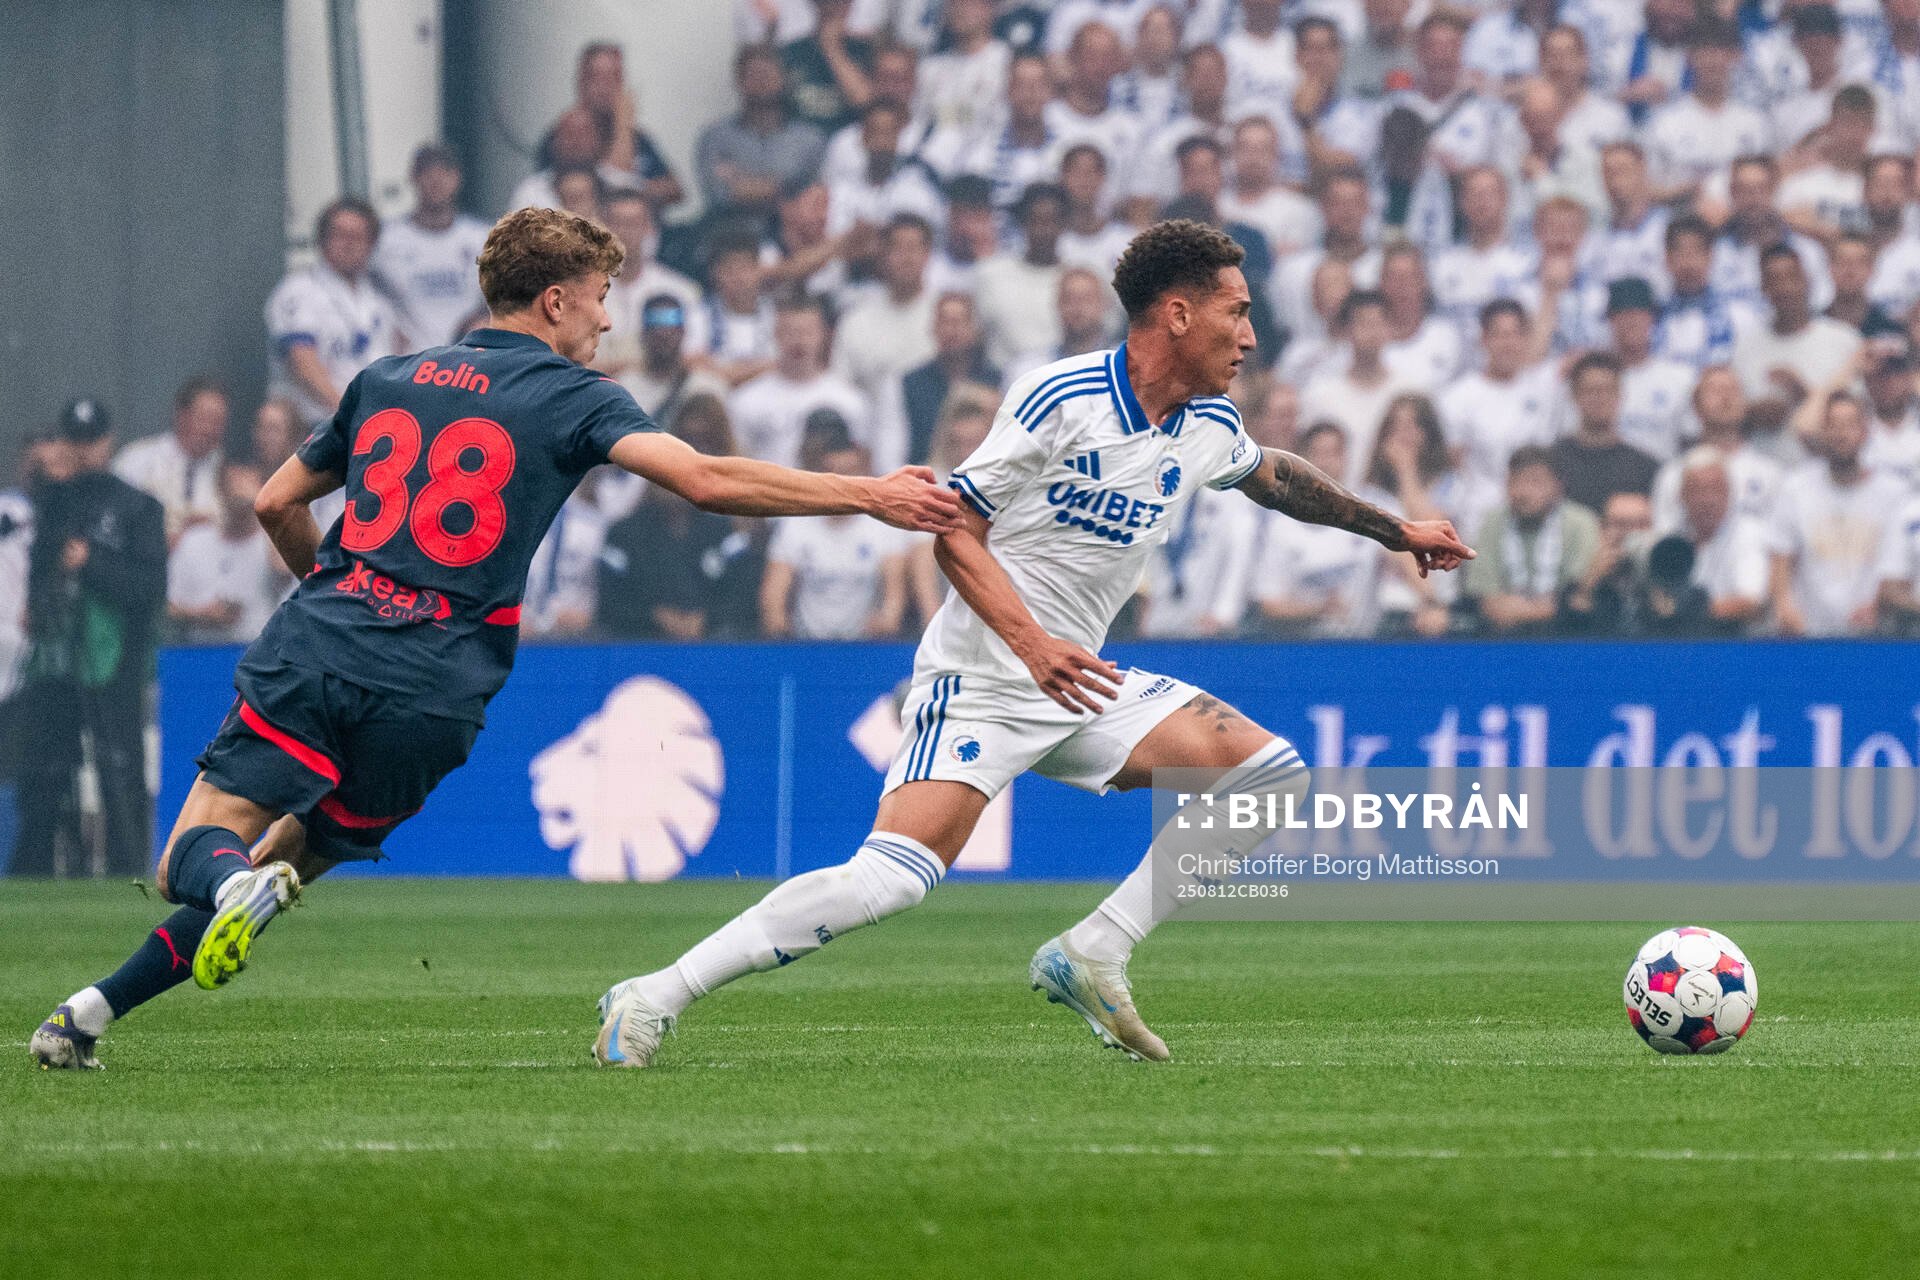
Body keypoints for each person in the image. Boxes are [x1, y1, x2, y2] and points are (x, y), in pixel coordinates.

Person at [27, 206, 961, 1070]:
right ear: (555, 300)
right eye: (600, 302)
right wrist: (869, 493)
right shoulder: (572, 396)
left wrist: (330, 590)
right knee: (286, 863)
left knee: (193, 858)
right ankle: (87, 1018)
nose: (605, 324)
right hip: (440, 687)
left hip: (329, 640)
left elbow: (274, 502)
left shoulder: (386, 378)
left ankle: (225, 890)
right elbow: (705, 480)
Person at [593, 219, 1470, 1068]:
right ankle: (652, 995)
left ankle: (1094, 951)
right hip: (984, 675)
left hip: (1080, 680)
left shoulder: (1207, 425)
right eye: (1235, 313)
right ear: (1176, 314)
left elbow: (1279, 478)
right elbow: (954, 533)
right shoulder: (1063, 399)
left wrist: (1399, 531)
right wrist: (1032, 644)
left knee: (1269, 774)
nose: (1249, 334)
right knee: (891, 878)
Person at [11, 400, 166, 881]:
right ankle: (35, 873)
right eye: (74, 441)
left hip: (114, 660)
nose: (82, 452)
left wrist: (91, 563)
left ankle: (128, 871)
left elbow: (150, 589)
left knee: (118, 768)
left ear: (108, 441)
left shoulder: (138, 507)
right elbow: (38, 572)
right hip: (55, 659)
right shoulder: (54, 503)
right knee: (43, 770)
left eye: (90, 441)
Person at [1769, 391, 1907, 636]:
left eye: (1850, 425)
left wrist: (1878, 606)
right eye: (1833, 425)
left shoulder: (1893, 494)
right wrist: (1783, 606)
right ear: (1823, 433)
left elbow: (1897, 562)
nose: (1841, 434)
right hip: (1807, 634)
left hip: (1872, 636)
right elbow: (1781, 553)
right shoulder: (1796, 488)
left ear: (1865, 433)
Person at [266, 198, 400, 426]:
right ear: (322, 239)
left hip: (371, 422)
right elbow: (302, 363)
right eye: (339, 235)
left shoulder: (378, 299)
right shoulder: (298, 290)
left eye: (357, 237)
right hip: (316, 425)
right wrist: (347, 411)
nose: (348, 244)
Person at [761, 443, 913, 638]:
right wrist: (780, 630)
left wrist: (887, 619)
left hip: (866, 646)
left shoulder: (884, 526)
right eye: (836, 474)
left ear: (865, 474)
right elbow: (774, 593)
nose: (845, 482)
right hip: (806, 647)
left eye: (851, 473)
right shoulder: (796, 525)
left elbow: (895, 589)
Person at [1462, 445, 1598, 637]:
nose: (1523, 492)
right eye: (1515, 482)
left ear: (1558, 486)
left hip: (1568, 639)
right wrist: (1542, 609)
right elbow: (1487, 601)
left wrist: (1521, 610)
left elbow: (1576, 598)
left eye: (1535, 482)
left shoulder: (1581, 523)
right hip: (1501, 641)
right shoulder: (1492, 522)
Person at [727, 294, 870, 468]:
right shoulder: (746, 400)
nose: (799, 341)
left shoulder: (849, 400)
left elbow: (862, 464)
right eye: (790, 332)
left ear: (824, 334)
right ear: (775, 333)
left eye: (807, 331)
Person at [371, 144, 492, 349]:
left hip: (469, 363)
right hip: (410, 365)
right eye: (427, 172)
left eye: (444, 172)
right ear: (413, 177)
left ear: (457, 178)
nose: (436, 181)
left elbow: (509, 295)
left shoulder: (484, 237)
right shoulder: (385, 239)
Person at [166, 457, 290, 645]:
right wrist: (203, 614)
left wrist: (262, 505)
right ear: (220, 491)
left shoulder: (271, 541)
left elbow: (284, 573)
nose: (238, 497)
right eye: (232, 488)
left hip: (257, 654)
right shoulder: (194, 540)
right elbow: (169, 605)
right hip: (200, 653)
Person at [112, 376, 228, 544]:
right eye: (205, 419)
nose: (210, 430)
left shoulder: (225, 471)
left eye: (218, 422)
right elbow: (116, 527)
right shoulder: (137, 460)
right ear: (181, 415)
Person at [1548, 353, 1661, 514]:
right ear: (1573, 396)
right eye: (1590, 390)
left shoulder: (1645, 468)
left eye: (1607, 390)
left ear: (1620, 395)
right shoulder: (1552, 463)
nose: (1599, 398)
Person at [900, 293, 1000, 466]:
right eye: (945, 322)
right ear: (932, 328)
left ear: (975, 329)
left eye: (960, 322)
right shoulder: (910, 384)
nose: (952, 330)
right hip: (926, 480)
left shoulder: (998, 380)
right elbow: (893, 449)